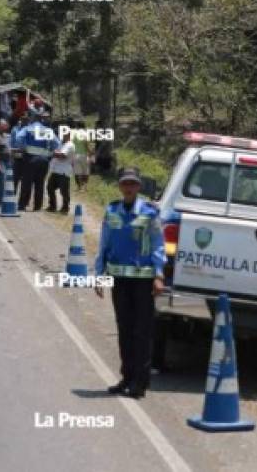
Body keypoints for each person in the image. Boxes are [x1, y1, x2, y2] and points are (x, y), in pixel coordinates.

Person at [94, 167, 165, 398]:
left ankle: (140, 383)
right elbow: (104, 244)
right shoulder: (111, 210)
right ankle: (126, 377)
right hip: (119, 279)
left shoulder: (150, 212)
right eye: (125, 183)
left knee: (142, 331)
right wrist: (99, 274)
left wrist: (159, 275)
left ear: (139, 186)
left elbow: (157, 244)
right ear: (119, 185)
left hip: (143, 280)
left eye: (133, 183)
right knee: (124, 330)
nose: (129, 187)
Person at [18, 113, 59, 212]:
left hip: (30, 158)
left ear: (32, 119)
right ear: (42, 120)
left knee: (27, 182)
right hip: (44, 160)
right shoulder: (48, 130)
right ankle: (37, 206)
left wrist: (23, 148)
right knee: (40, 183)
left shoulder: (28, 128)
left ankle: (22, 204)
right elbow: (57, 143)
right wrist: (50, 151)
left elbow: (19, 138)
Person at [46, 130, 74, 213]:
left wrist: (54, 153)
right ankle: (52, 206)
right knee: (50, 187)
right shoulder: (61, 144)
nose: (63, 136)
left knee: (64, 191)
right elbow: (56, 153)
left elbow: (63, 155)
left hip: (64, 172)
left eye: (65, 134)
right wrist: (55, 153)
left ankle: (65, 208)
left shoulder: (70, 145)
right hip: (56, 170)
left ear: (69, 136)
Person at [9, 114, 30, 191]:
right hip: (16, 157)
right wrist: (12, 152)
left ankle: (22, 201)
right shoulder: (15, 129)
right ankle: (12, 195)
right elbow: (11, 143)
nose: (25, 121)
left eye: (27, 120)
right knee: (15, 178)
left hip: (27, 157)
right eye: (24, 119)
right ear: (21, 119)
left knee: (25, 181)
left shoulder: (30, 130)